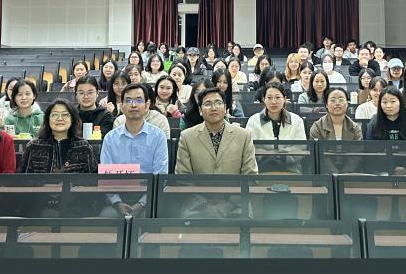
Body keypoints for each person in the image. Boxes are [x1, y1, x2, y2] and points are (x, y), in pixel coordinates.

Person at [101, 83, 169, 216]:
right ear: (122, 106)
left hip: (150, 196)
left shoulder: (158, 136)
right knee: (107, 216)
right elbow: (105, 177)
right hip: (118, 197)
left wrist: (142, 203)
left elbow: (161, 175)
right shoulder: (110, 138)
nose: (133, 105)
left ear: (147, 105)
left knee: (149, 217)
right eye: (128, 101)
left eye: (138, 100)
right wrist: (117, 202)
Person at [175, 87, 258, 174]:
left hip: (234, 183)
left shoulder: (244, 136)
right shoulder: (187, 137)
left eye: (218, 103)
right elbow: (183, 176)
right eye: (208, 104)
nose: (213, 108)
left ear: (225, 108)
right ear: (200, 110)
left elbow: (250, 175)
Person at [20, 100, 97, 173]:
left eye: (65, 115)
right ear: (47, 119)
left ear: (72, 119)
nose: (59, 119)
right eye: (55, 115)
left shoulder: (83, 147)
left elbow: (92, 178)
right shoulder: (34, 146)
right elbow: (24, 178)